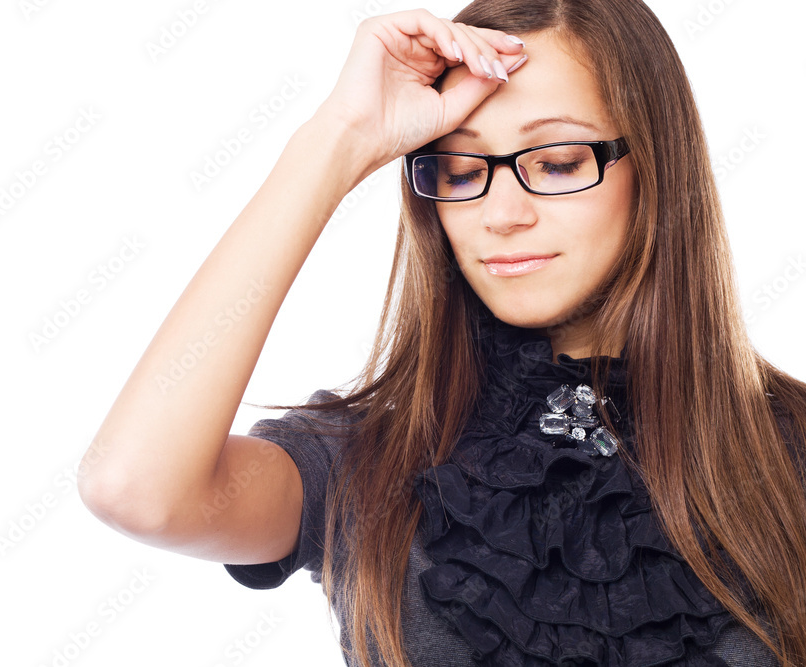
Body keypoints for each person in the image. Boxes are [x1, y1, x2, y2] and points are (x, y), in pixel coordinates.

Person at [77, 0, 806, 664]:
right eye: (459, 172)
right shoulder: (367, 461)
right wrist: (339, 138)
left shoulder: (790, 451)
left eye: (556, 162)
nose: (502, 214)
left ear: (656, 167)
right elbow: (133, 486)